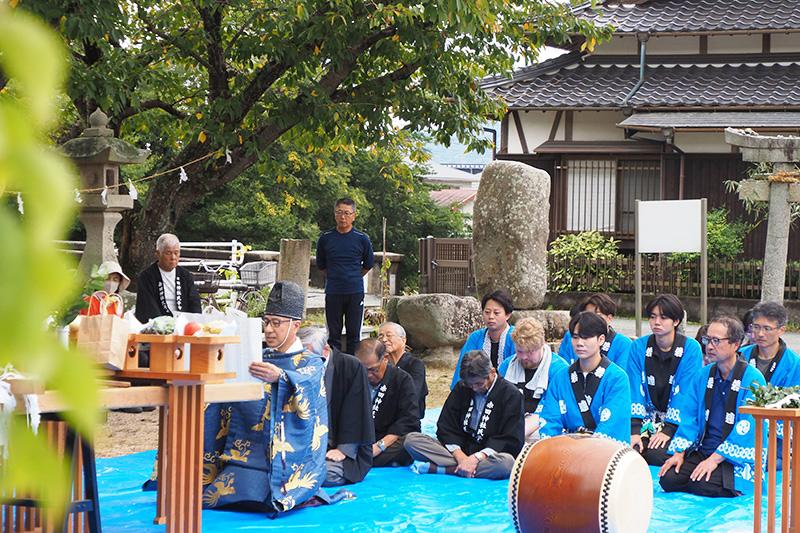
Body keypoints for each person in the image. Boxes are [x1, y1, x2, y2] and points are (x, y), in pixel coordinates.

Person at [201, 281, 329, 512]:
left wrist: (282, 377)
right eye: (266, 322)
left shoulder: (311, 363)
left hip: (286, 464)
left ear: (295, 325)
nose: (269, 329)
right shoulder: (258, 355)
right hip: (242, 455)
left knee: (266, 495)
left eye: (276, 323)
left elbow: (308, 387)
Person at [659, 315, 765, 497]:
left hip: (735, 457)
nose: (709, 346)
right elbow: (689, 416)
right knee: (668, 478)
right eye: (707, 340)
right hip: (704, 448)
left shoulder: (753, 379)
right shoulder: (703, 375)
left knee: (702, 484)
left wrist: (715, 459)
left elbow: (748, 426)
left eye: (716, 341)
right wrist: (679, 452)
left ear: (736, 344)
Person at [405, 350, 524, 479]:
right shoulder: (462, 387)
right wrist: (461, 457)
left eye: (479, 384)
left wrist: (477, 458)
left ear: (492, 373)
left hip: (488, 455)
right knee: (412, 440)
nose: (474, 388)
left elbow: (510, 439)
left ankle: (445, 469)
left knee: (506, 464)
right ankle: (463, 468)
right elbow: (446, 425)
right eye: (470, 384)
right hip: (459, 450)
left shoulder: (511, 395)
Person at [628, 294, 704, 466]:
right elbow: (634, 388)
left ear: (676, 321)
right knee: (629, 450)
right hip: (646, 420)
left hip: (678, 423)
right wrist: (634, 430)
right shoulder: (638, 346)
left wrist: (668, 430)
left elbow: (686, 393)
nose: (657, 322)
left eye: (663, 317)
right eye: (653, 317)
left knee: (657, 455)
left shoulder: (691, 348)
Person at [536, 312, 631, 444]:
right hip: (566, 449)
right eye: (575, 337)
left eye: (586, 338)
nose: (579, 343)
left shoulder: (617, 378)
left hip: (602, 452)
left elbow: (612, 425)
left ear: (601, 339)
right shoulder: (561, 377)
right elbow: (550, 421)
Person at [298, 327, 374, 487]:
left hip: (339, 448)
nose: (302, 358)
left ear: (325, 350)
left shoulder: (350, 366)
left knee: (317, 475)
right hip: (304, 448)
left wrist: (343, 450)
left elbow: (356, 411)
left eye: (307, 353)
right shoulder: (297, 368)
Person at [739, 301, 800, 470]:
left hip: (775, 437)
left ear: (782, 330)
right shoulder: (740, 355)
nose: (759, 333)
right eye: (755, 327)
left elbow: (792, 407)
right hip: (738, 427)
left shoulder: (794, 364)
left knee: (762, 463)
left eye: (767, 328)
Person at [315, 198, 374, 353]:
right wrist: (336, 276)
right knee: (333, 335)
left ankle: (353, 368)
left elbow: (368, 264)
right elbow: (321, 265)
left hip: (355, 291)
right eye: (339, 213)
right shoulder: (325, 238)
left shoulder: (362, 239)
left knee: (354, 334)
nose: (343, 217)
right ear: (334, 214)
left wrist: (353, 276)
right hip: (333, 291)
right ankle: (334, 367)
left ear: (354, 215)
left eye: (347, 213)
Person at [498, 317, 568, 442]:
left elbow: (551, 411)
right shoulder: (507, 366)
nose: (524, 357)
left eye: (530, 352)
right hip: (509, 422)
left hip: (544, 427)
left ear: (542, 345)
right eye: (520, 351)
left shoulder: (559, 370)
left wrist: (516, 433)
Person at [354, 338, 420, 467]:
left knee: (410, 443)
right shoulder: (353, 377)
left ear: (385, 358)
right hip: (360, 438)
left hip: (389, 439)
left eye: (373, 370)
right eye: (363, 370)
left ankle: (360, 458)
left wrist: (380, 446)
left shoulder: (402, 379)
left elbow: (408, 419)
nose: (368, 375)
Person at [451, 290, 516, 389]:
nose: (491, 317)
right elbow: (463, 369)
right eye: (487, 312)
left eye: (496, 313)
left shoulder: (515, 337)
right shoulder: (475, 338)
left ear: (508, 315)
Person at [134, 233, 201, 323]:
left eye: (176, 253)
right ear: (158, 254)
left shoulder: (186, 276)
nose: (173, 257)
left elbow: (194, 303)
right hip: (159, 325)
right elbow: (148, 307)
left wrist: (193, 322)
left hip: (184, 323)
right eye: (168, 253)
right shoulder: (147, 277)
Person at [558, 293, 632, 370]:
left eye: (597, 316)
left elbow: (621, 377)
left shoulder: (623, 343)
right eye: (588, 315)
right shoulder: (571, 336)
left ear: (609, 318)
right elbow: (561, 368)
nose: (591, 320)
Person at [377, 322, 428, 418]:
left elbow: (412, 395)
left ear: (403, 340)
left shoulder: (415, 364)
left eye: (389, 335)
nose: (384, 339)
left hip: (406, 417)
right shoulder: (379, 364)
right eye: (380, 336)